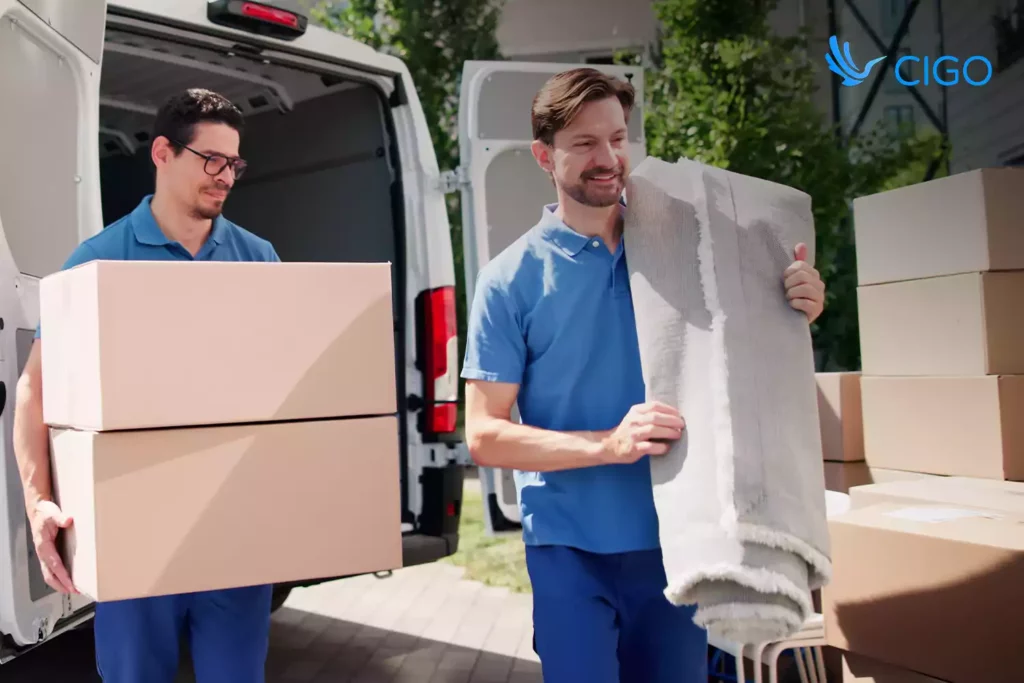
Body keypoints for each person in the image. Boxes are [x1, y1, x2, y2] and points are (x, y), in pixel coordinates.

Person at [461, 68, 826, 682]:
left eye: (618, 138)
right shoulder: (509, 280)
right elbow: (484, 434)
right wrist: (609, 445)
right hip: (568, 547)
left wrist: (801, 301)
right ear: (543, 156)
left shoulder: (685, 248)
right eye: (584, 144)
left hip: (678, 538)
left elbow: (754, 334)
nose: (608, 159)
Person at [13, 88, 280, 682]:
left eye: (234, 163)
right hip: (134, 532)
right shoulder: (97, 260)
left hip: (234, 534)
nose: (226, 176)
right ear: (162, 152)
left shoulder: (258, 260)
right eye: (211, 159)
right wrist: (38, 502)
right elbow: (35, 388)